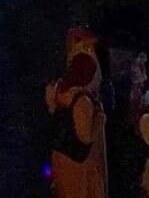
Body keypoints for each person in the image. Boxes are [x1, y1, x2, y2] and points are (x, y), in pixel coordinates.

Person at [43, 42, 108, 198]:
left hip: (59, 155)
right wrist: (99, 121)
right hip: (75, 162)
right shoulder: (81, 101)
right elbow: (85, 137)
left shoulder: (58, 92)